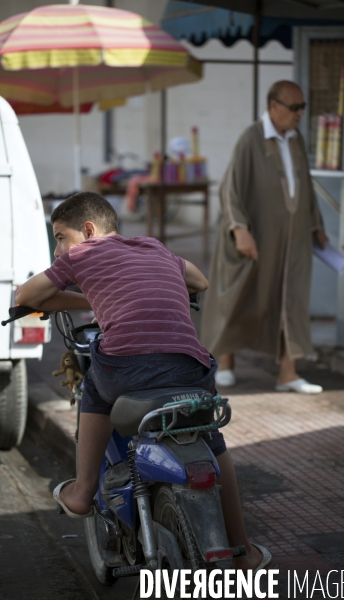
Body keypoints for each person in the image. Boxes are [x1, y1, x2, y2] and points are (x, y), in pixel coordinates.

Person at [15, 192, 269, 571]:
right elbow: (199, 280)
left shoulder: (81, 255)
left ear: (88, 230)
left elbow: (27, 295)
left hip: (126, 370)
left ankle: (83, 491)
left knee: (94, 387)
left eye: (60, 236)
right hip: (191, 368)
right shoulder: (153, 246)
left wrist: (88, 298)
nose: (58, 249)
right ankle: (244, 550)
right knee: (213, 441)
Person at [201, 81, 328, 393]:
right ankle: (225, 361)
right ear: (273, 106)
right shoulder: (251, 138)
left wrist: (316, 224)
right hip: (256, 236)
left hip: (293, 240)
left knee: (292, 300)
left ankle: (288, 372)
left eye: (303, 108)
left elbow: (306, 187)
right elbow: (229, 188)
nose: (299, 114)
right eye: (293, 107)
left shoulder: (296, 140)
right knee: (240, 296)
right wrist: (239, 229)